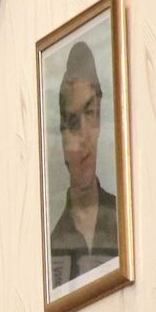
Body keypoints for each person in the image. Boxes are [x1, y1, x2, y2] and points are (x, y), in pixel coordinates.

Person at [47, 40, 117, 285]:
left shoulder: (124, 220)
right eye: (73, 122)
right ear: (62, 136)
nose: (84, 136)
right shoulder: (53, 245)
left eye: (90, 112)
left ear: (99, 118)